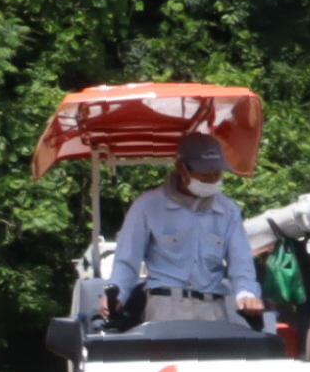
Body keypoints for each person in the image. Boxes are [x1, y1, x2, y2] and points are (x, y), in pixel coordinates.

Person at [107, 131, 262, 325]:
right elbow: (127, 261)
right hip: (165, 307)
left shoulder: (228, 210)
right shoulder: (147, 206)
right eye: (205, 175)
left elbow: (241, 264)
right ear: (181, 168)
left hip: (212, 308)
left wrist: (246, 293)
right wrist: (116, 295)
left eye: (217, 174)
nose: (213, 180)